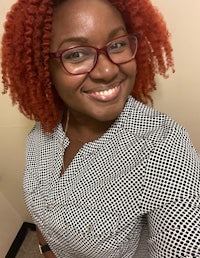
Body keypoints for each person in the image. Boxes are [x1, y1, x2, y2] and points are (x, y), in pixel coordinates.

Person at [1, 0, 200, 257]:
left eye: (117, 45)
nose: (107, 70)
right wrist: (47, 248)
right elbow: (44, 206)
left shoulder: (163, 148)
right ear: (43, 67)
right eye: (75, 54)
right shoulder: (43, 131)